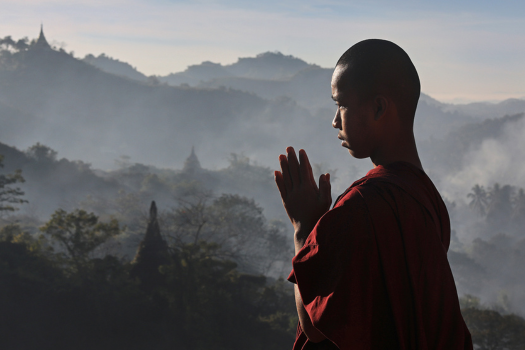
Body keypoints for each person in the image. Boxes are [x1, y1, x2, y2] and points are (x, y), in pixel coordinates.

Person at [274, 39, 473, 350]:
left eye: (341, 104)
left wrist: (305, 228)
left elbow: (314, 326)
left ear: (379, 107)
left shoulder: (362, 207)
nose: (335, 120)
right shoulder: (427, 197)